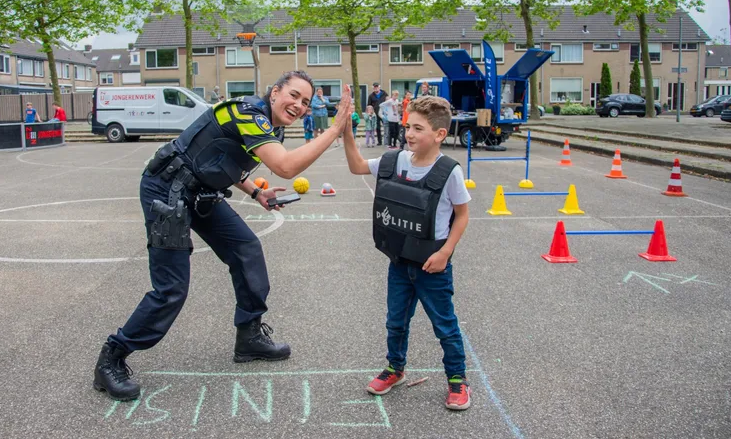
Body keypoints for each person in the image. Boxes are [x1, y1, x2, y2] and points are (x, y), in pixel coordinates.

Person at [94, 71, 352, 402]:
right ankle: (111, 358)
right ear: (275, 93)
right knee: (172, 289)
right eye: (294, 96)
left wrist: (256, 192)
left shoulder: (269, 126)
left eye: (305, 101)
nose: (299, 105)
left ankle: (249, 336)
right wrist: (334, 129)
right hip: (168, 188)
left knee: (246, 248)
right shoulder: (247, 113)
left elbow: (225, 160)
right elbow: (285, 167)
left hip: (201, 189)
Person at [342, 95, 472, 411]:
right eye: (407, 127)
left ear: (440, 134)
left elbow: (463, 215)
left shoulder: (449, 172)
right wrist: (346, 131)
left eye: (418, 128)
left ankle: (457, 380)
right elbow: (357, 166)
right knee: (396, 321)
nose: (409, 134)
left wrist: (445, 252)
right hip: (400, 261)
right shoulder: (395, 160)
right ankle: (395, 369)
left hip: (432, 265)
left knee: (444, 324)